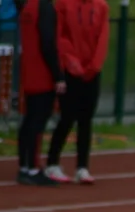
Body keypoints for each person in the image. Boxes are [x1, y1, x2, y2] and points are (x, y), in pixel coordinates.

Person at [45, 0, 109, 185]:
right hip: (71, 70)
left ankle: (82, 167)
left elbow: (102, 38)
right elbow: (60, 36)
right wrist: (71, 61)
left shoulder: (101, 6)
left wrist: (94, 66)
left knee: (86, 119)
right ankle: (52, 162)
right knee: (67, 117)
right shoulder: (64, 5)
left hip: (91, 72)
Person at [15, 0, 65, 186]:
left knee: (29, 121)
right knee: (38, 121)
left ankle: (24, 165)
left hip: (29, 70)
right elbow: (47, 43)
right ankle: (33, 167)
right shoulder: (44, 7)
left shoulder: (27, 6)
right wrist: (57, 75)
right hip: (42, 73)